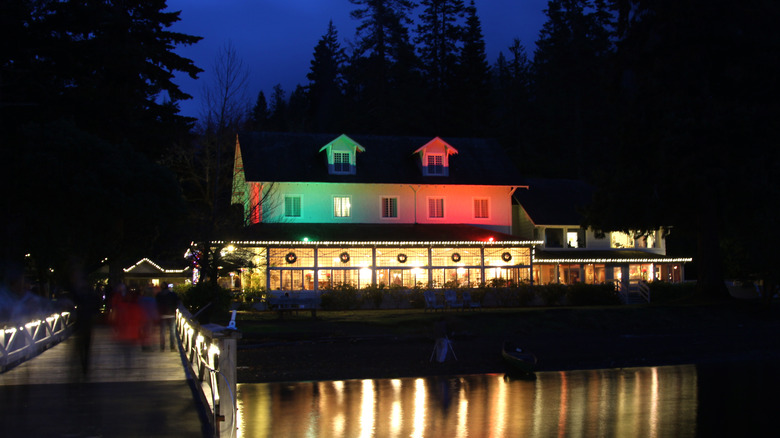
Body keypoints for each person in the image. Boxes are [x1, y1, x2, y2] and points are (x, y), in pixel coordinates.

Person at [156, 284, 178, 351]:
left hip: (162, 315)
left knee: (162, 332)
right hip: (171, 314)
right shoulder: (173, 294)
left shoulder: (159, 295)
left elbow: (157, 304)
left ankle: (162, 347)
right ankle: (172, 346)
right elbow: (177, 303)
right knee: (172, 331)